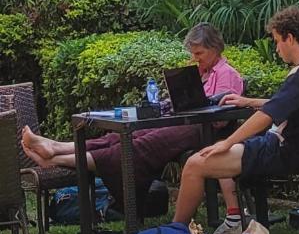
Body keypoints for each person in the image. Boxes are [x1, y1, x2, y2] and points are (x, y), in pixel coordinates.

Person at [21, 23, 244, 223]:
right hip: (179, 124)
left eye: (200, 53)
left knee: (137, 147)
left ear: (215, 48)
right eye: (193, 53)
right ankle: (54, 147)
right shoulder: (199, 73)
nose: (196, 58)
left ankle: (54, 158)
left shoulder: (227, 74)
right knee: (119, 137)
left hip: (200, 130)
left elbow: (223, 117)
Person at [172, 5, 299, 228]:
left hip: (281, 151)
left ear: (290, 38)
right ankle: (227, 220)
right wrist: (248, 101)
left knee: (195, 163)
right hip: (295, 149)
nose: (276, 49)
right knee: (209, 153)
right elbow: (286, 105)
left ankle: (175, 232)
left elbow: (267, 116)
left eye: (277, 41)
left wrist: (227, 142)